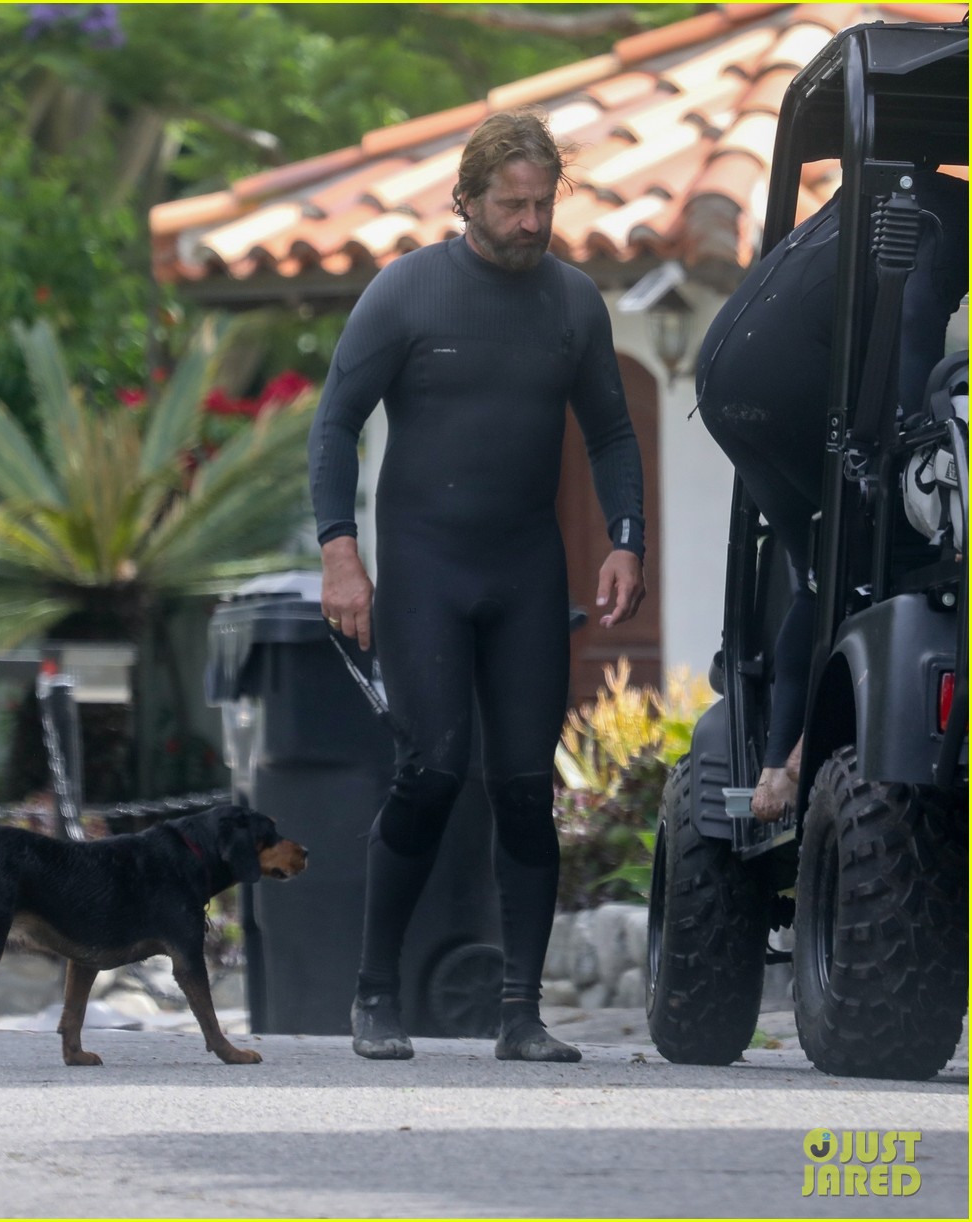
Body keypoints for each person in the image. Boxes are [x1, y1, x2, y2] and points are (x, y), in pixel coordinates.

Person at [307, 109, 647, 1062]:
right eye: (512, 205)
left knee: (526, 786)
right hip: (427, 567)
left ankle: (519, 1014)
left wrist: (627, 541)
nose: (531, 223)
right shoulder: (408, 292)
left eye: (543, 205)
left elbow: (613, 433)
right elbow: (335, 424)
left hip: (525, 569)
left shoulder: (573, 302)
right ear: (467, 199)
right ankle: (375, 995)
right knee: (433, 769)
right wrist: (340, 552)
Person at [696, 166, 968, 821]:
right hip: (783, 382)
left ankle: (775, 766)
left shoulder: (881, 199)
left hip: (728, 379)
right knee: (886, 547)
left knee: (817, 569)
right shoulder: (945, 218)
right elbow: (914, 339)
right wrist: (908, 446)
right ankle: (801, 757)